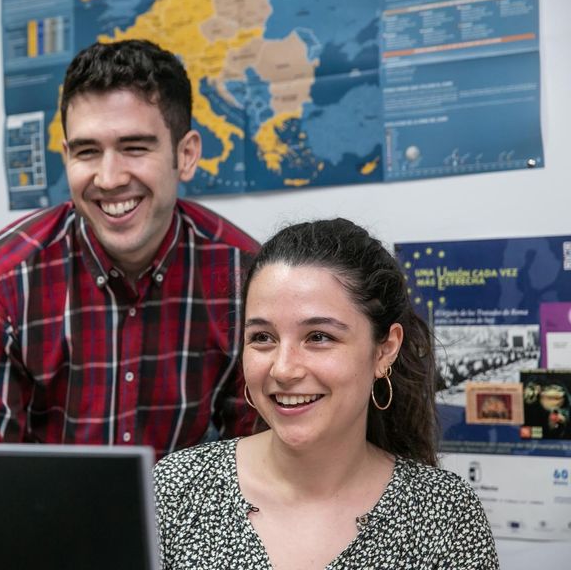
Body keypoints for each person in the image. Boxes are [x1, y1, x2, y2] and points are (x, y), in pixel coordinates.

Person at [0, 39, 259, 460]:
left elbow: (257, 464)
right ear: (66, 157)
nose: (108, 179)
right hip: (45, 522)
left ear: (185, 155)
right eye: (87, 151)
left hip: (191, 523)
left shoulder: (243, 277)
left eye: (134, 147)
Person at [154, 218, 498, 569]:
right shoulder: (174, 491)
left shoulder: (444, 516)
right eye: (262, 337)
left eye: (319, 337)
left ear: (384, 350)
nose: (283, 369)